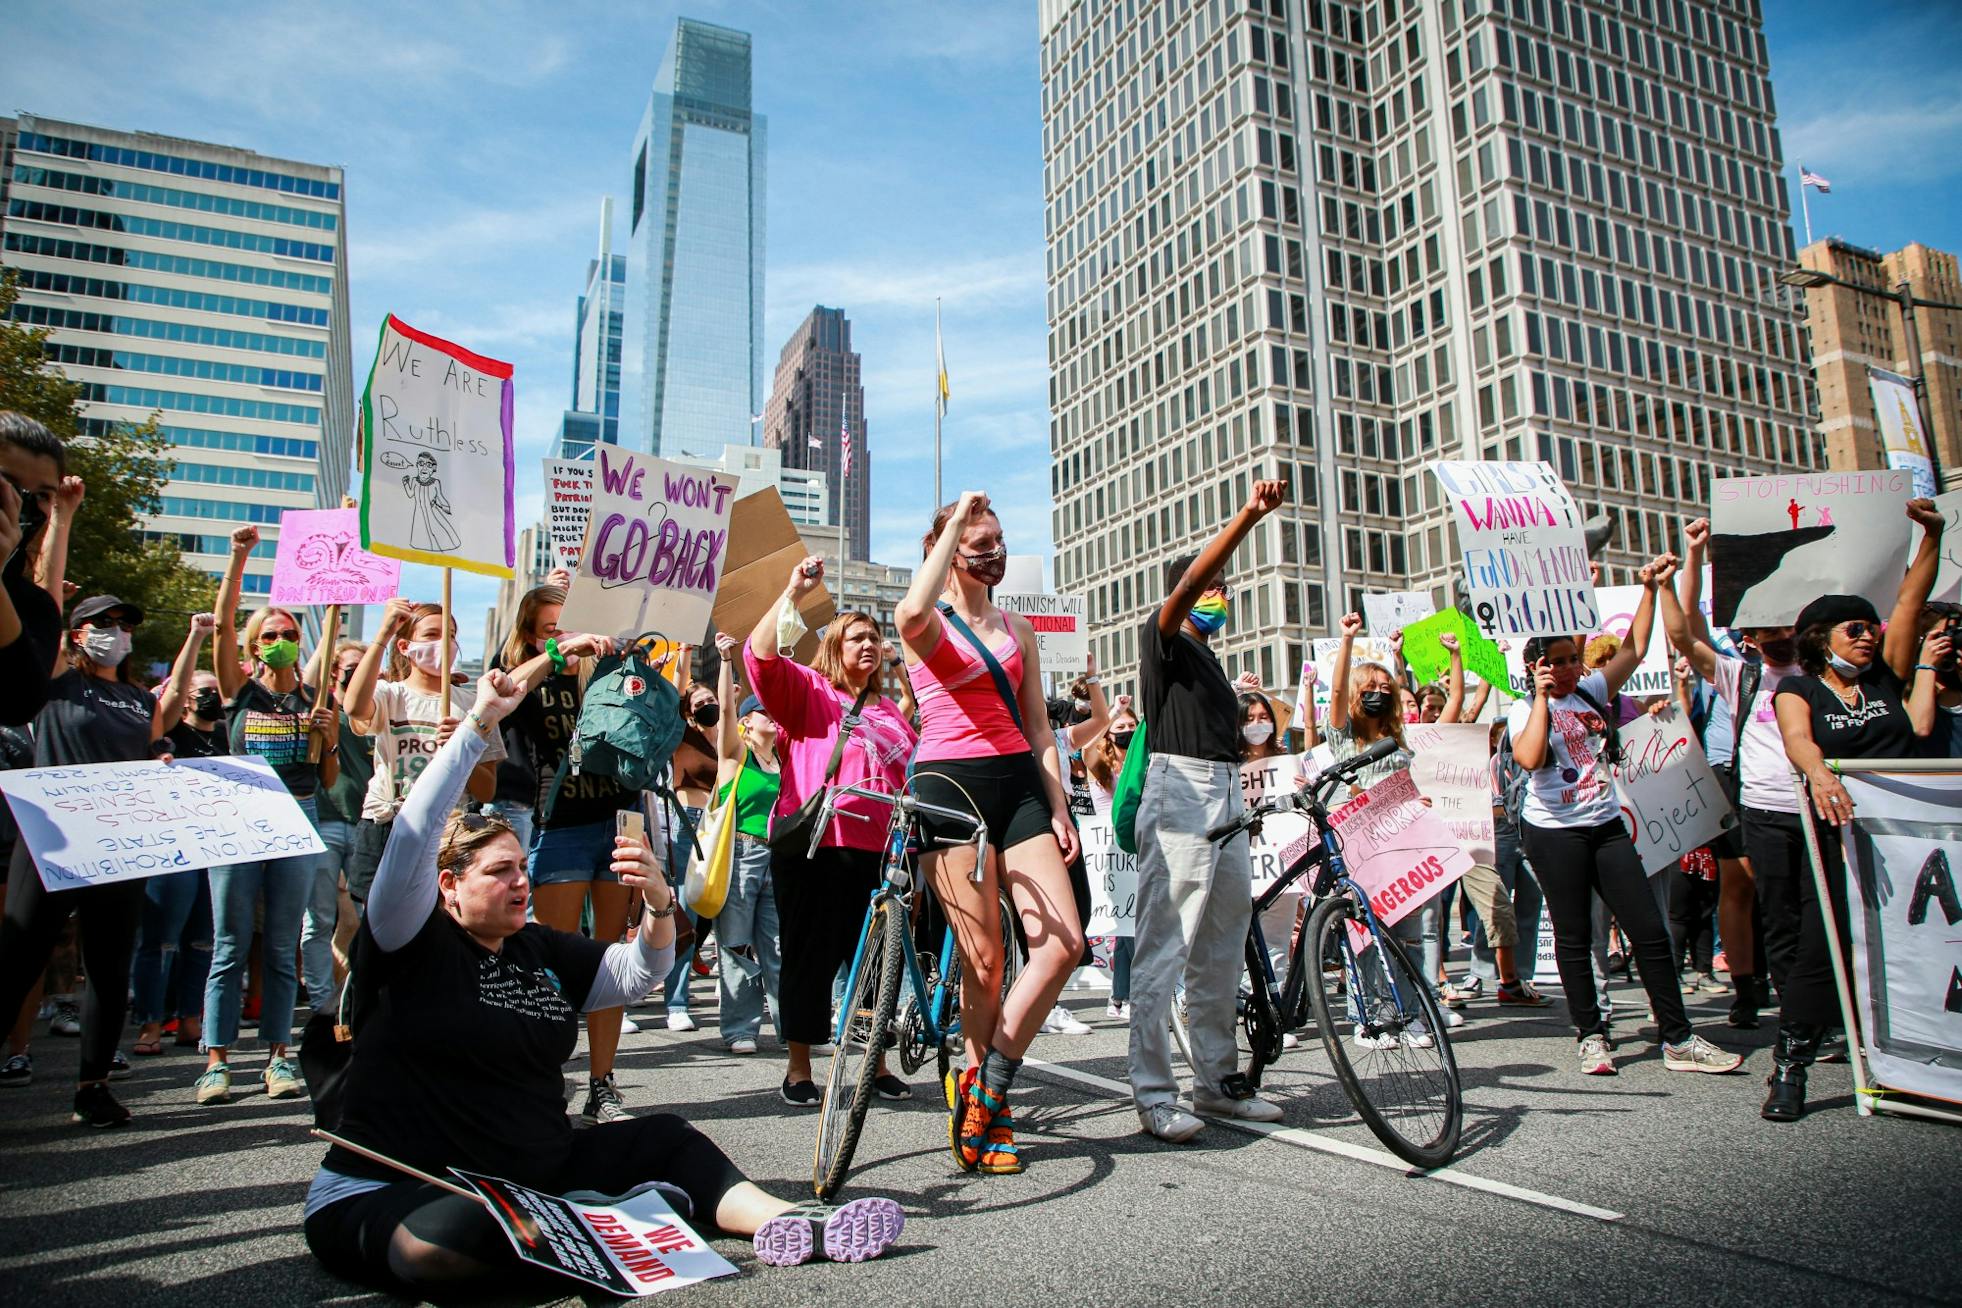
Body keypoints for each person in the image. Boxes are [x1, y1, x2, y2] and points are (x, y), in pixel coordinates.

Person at [302, 669, 903, 1294]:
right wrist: (478, 726)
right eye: (499, 872)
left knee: (666, 1137)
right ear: (447, 885)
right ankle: (608, 1222)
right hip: (403, 1185)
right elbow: (415, 831)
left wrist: (659, 903)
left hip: (533, 1174)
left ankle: (789, 1221)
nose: (520, 882)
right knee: (445, 1241)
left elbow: (638, 972)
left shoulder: (534, 946)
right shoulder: (405, 937)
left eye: (521, 868)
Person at [897, 492, 1086, 1175]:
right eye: (980, 544)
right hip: (950, 786)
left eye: (999, 541)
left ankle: (987, 1085)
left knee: (1064, 944)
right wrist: (952, 525)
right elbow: (909, 615)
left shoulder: (1019, 629)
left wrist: (1058, 804)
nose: (995, 553)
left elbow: (1039, 728)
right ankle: (987, 1106)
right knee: (985, 964)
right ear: (948, 551)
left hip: (1019, 786)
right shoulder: (930, 619)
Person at [1510, 554, 1742, 1078]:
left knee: (1649, 930)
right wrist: (1542, 697)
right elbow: (1530, 758)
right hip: (1555, 833)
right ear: (1536, 667)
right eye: (1557, 662)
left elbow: (1634, 649)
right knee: (1573, 936)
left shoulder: (1592, 691)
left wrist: (1650, 590)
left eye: (1573, 659)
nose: (1569, 669)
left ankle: (1678, 1038)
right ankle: (1591, 1035)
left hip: (1606, 825)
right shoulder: (1525, 708)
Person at [1765, 499, 1945, 1120]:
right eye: (1854, 630)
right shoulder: (1798, 689)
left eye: (1872, 628)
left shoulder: (1886, 678)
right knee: (1822, 951)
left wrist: (1931, 536)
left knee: (1921, 947)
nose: (1868, 636)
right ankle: (1790, 1068)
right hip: (1840, 839)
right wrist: (1820, 774)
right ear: (1821, 640)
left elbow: (1911, 602)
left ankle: (1921, 1063)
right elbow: (1798, 741)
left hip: (1911, 839)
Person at [1130, 480, 1289, 1143]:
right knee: (1164, 948)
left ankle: (1217, 1083)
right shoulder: (1163, 638)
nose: (1220, 594)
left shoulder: (1215, 664)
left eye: (1226, 587)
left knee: (1221, 950)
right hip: (1180, 791)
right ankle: (1153, 1092)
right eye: (1211, 585)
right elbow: (1194, 579)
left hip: (1226, 795)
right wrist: (1248, 516)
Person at [745, 556, 919, 1108]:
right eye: (856, 638)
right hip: (816, 847)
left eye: (873, 638)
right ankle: (799, 1069)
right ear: (834, 648)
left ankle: (875, 1065)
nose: (869, 645)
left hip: (882, 854)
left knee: (875, 965)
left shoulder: (891, 712)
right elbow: (760, 656)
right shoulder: (809, 691)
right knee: (808, 957)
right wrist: (793, 592)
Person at [0, 594, 178, 1125]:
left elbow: (153, 749)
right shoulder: (57, 681)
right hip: (51, 842)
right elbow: (41, 613)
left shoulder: (140, 699)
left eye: (125, 624)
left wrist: (162, 760)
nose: (116, 630)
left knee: (108, 967)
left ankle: (92, 1088)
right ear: (74, 634)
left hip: (118, 846)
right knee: (18, 959)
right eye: (103, 622)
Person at [201, 536, 343, 1106]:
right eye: (268, 635)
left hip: (299, 815)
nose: (279, 641)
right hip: (240, 818)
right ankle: (216, 1062)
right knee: (230, 944)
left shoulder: (314, 698)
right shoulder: (240, 692)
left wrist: (329, 738)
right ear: (253, 646)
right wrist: (238, 559)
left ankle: (277, 1056)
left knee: (284, 945)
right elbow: (220, 625)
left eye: (287, 633)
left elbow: (328, 779)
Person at [487, 583, 634, 1124]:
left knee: (610, 959)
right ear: (531, 636)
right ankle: (542, 1078)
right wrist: (557, 652)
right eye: (551, 628)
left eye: (571, 623)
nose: (567, 634)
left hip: (620, 820)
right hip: (561, 825)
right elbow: (505, 690)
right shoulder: (531, 677)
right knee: (549, 961)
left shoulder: (606, 670)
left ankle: (602, 1085)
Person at [131, 614, 224, 1055]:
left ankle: (190, 1019)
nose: (212, 697)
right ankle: (150, 1023)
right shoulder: (169, 734)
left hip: (216, 847)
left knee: (202, 940)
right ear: (185, 699)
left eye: (217, 691)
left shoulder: (225, 736)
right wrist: (198, 636)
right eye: (204, 691)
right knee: (162, 939)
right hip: (172, 848)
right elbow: (170, 694)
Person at [707, 632, 782, 1056]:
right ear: (747, 723)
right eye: (762, 711)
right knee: (736, 946)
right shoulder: (736, 756)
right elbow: (725, 709)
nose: (771, 715)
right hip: (741, 854)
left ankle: (790, 1029)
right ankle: (740, 1030)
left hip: (777, 857)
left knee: (778, 948)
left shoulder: (782, 760)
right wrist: (725, 661)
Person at [306, 640, 376, 1016]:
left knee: (368, 920)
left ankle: (357, 999)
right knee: (318, 920)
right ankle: (321, 1004)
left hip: (366, 823)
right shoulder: (322, 706)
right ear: (334, 672)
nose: (359, 672)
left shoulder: (374, 711)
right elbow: (309, 681)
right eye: (352, 667)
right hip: (327, 822)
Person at [661, 658, 719, 1034]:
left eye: (710, 700)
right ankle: (677, 1002)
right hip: (687, 825)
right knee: (687, 913)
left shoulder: (729, 737)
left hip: (721, 827)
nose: (706, 706)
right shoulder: (682, 734)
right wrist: (684, 649)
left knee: (722, 914)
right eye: (698, 703)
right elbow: (677, 690)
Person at [1084, 699, 1138, 1020]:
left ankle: (1119, 997)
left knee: (1127, 925)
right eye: (1121, 727)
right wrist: (1112, 714)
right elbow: (1087, 750)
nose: (1127, 731)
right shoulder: (1103, 768)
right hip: (1110, 857)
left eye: (1132, 726)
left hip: (1136, 853)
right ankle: (1131, 996)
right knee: (1130, 926)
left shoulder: (1142, 764)